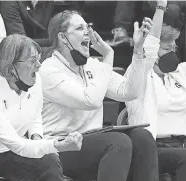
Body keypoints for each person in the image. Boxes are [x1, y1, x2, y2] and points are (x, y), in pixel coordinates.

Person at [39, 5, 161, 181]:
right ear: (62, 38)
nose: (87, 33)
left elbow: (129, 91)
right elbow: (90, 101)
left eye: (88, 27)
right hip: (59, 147)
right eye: (79, 28)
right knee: (118, 142)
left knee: (142, 137)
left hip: (91, 141)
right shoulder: (49, 70)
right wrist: (108, 56)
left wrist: (138, 50)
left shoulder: (92, 66)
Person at [0, 34, 83, 181]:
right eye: (32, 60)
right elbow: (18, 145)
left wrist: (36, 136)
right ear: (11, 67)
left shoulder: (35, 80)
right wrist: (57, 145)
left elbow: (34, 113)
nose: (39, 65)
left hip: (8, 150)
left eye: (38, 58)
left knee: (49, 162)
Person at [126, 4, 186, 181]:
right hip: (155, 149)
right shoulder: (140, 75)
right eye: (167, 49)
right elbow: (150, 47)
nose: (172, 53)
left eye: (174, 49)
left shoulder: (181, 73)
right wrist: (160, 8)